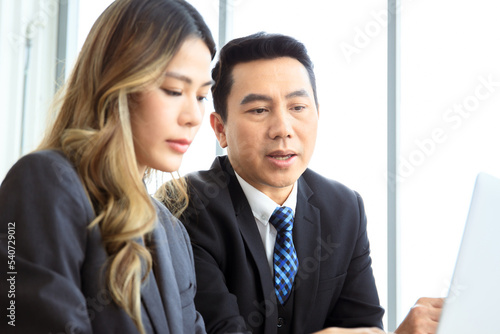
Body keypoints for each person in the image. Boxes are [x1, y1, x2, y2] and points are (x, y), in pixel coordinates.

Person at [158, 32, 443, 334]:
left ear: (317, 115)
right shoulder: (185, 209)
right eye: (259, 110)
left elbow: (363, 326)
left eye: (297, 108)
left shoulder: (345, 208)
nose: (283, 129)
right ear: (220, 129)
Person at [0, 0, 215, 333]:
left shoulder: (174, 234)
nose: (193, 117)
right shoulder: (45, 183)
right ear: (117, 85)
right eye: (174, 90)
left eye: (201, 96)